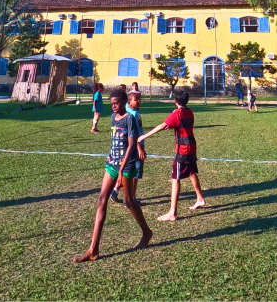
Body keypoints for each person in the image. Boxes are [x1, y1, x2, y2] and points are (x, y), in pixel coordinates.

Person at [73, 90, 152, 263]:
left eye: (116, 103)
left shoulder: (129, 118)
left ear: (124, 101)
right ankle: (93, 249)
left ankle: (146, 232)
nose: (114, 106)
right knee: (102, 199)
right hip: (112, 164)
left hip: (126, 165)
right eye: (112, 104)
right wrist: (111, 161)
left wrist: (122, 169)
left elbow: (131, 144)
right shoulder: (112, 118)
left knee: (128, 202)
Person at [138, 91, 205, 221]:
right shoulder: (189, 111)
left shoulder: (177, 113)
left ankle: (172, 213)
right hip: (192, 146)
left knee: (175, 178)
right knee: (191, 172)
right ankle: (200, 198)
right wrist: (172, 125)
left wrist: (144, 136)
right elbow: (181, 125)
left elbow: (162, 125)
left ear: (175, 101)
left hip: (182, 150)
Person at [111, 88, 146, 205]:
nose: (139, 101)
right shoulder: (132, 115)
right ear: (129, 102)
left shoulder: (131, 112)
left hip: (133, 148)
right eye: (136, 100)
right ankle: (131, 198)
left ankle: (116, 191)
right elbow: (133, 134)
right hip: (135, 149)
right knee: (135, 173)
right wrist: (140, 148)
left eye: (139, 100)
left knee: (127, 174)